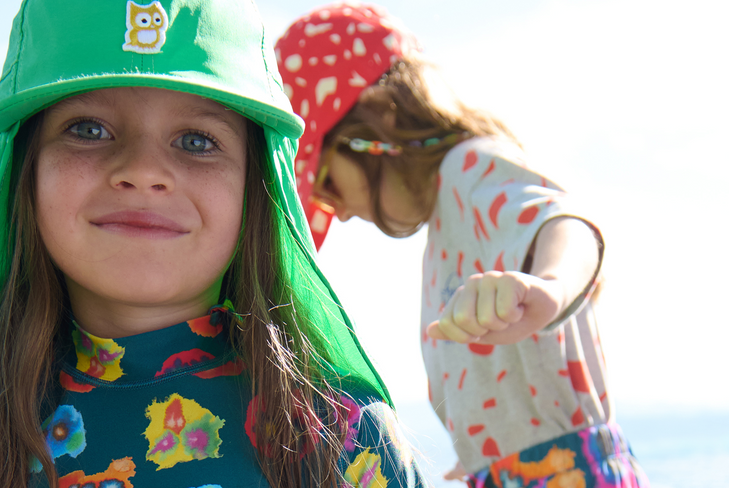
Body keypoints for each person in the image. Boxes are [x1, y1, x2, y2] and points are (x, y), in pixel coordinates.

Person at [0, 1, 427, 487]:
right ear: (24, 173)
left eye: (198, 142)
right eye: (89, 129)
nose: (143, 171)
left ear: (258, 190)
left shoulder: (344, 442)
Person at [275, 3, 648, 487]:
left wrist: (550, 287)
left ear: (375, 128)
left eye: (327, 185)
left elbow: (566, 222)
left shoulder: (472, 168)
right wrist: (489, 453)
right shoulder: (446, 226)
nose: (338, 212)